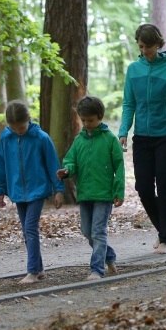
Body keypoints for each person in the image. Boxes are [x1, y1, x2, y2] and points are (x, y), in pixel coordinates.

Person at [118, 24, 166, 255]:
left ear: (158, 45)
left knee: (165, 187)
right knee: (142, 186)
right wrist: (123, 131)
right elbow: (129, 103)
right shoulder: (133, 70)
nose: (145, 51)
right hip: (142, 138)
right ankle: (164, 230)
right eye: (141, 47)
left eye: (149, 47)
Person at [0, 100, 65, 284]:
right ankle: (39, 269)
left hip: (38, 189)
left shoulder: (41, 138)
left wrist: (58, 189)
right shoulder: (6, 139)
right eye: (15, 128)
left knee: (30, 228)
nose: (19, 131)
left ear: (29, 120)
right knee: (27, 231)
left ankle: (32, 271)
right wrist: (0, 189)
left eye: (22, 127)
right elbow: (1, 165)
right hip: (17, 191)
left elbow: (53, 165)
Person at [57, 96, 126, 280]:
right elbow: (70, 160)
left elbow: (119, 166)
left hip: (104, 194)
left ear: (100, 117)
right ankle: (109, 256)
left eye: (91, 120)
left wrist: (118, 191)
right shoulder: (79, 140)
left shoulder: (110, 139)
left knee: (98, 231)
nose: (87, 124)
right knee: (87, 232)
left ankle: (96, 269)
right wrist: (67, 170)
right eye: (84, 120)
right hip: (85, 193)